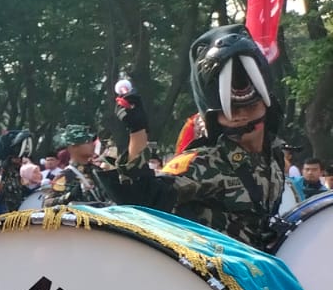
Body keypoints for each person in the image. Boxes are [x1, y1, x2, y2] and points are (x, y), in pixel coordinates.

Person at [100, 25, 286, 250]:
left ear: (267, 105)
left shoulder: (275, 154)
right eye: (230, 110)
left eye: (251, 106)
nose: (241, 116)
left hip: (260, 273)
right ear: (214, 117)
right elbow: (141, 200)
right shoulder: (202, 162)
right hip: (212, 277)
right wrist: (137, 131)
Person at [42, 123, 105, 207]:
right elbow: (47, 204)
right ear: (73, 147)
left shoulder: (97, 170)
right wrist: (68, 197)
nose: (92, 145)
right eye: (87, 142)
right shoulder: (65, 175)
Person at [0, 129, 32, 215]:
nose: (20, 160)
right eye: (17, 158)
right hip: (5, 217)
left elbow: (20, 191)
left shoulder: (15, 172)